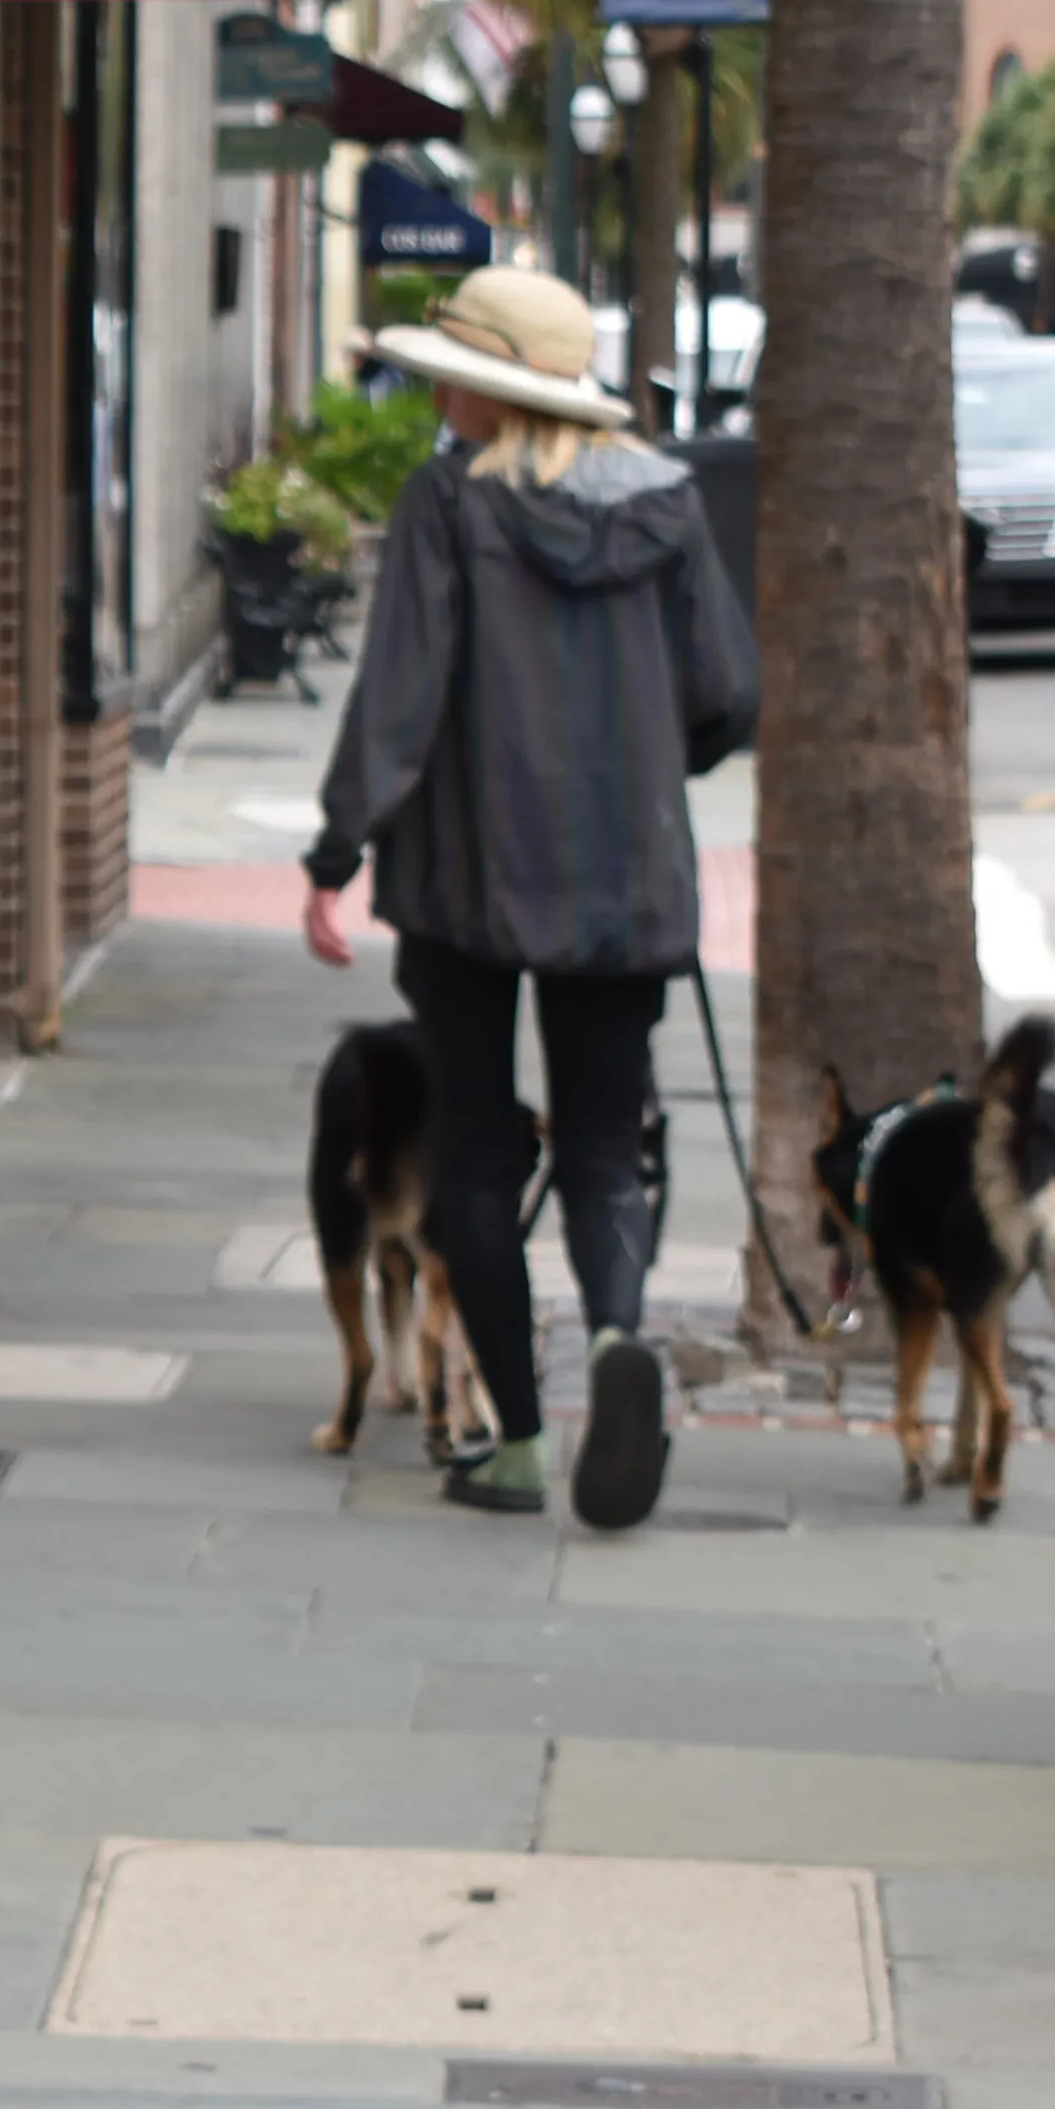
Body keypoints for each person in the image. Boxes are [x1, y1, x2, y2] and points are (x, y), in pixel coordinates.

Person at [303, 262, 759, 1528]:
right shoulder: (666, 505)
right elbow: (725, 694)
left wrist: (337, 850)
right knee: (610, 1146)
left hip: (466, 886)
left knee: (476, 1151)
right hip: (626, 886)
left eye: (450, 368)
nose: (435, 386)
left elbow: (395, 700)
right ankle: (615, 1334)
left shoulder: (450, 505)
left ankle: (511, 1442)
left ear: (487, 389)